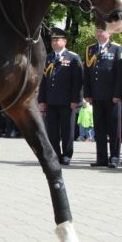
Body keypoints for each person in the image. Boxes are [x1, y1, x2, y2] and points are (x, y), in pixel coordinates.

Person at [38, 28, 83, 165]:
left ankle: (67, 154)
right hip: (51, 101)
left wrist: (76, 100)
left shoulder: (73, 58)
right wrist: (42, 100)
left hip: (67, 101)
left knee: (67, 130)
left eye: (57, 40)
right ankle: (55, 154)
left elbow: (78, 81)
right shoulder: (49, 58)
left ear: (65, 41)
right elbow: (43, 81)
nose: (54, 42)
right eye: (53, 40)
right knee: (52, 130)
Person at [83, 25, 122, 168]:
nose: (99, 33)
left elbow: (120, 74)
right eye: (97, 31)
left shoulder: (116, 48)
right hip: (96, 95)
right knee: (99, 129)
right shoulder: (91, 49)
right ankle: (101, 158)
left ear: (109, 32)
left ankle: (114, 157)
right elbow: (87, 73)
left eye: (102, 31)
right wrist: (87, 94)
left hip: (112, 96)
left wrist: (117, 94)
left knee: (114, 129)